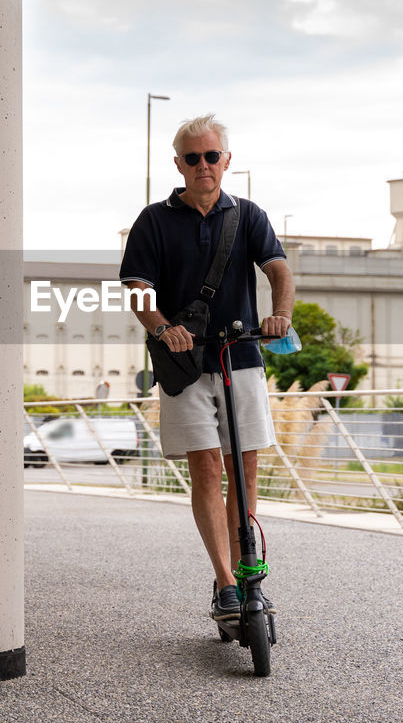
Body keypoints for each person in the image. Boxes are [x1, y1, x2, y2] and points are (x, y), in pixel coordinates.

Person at [120, 113, 295, 622]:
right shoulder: (153, 221)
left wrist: (280, 314)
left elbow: (278, 268)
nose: (203, 166)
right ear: (178, 164)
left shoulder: (249, 216)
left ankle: (248, 570)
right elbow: (137, 288)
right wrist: (160, 327)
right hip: (185, 363)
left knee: (243, 469)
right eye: (192, 158)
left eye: (211, 156)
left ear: (226, 161)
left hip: (241, 356)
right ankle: (225, 585)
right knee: (206, 468)